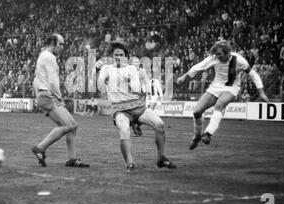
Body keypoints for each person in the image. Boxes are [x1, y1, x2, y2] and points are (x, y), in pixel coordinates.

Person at [96, 42, 176, 172]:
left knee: (159, 124)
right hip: (120, 109)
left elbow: (137, 89)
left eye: (121, 54)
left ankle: (161, 158)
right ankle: (130, 163)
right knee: (124, 130)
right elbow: (100, 87)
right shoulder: (106, 68)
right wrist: (97, 72)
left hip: (138, 107)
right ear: (112, 56)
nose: (118, 57)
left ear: (126, 56)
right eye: (116, 54)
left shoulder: (132, 69)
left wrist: (135, 78)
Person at [177, 40, 270, 150]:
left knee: (219, 105)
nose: (217, 56)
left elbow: (253, 74)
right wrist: (184, 76)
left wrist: (261, 92)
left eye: (220, 54)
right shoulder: (214, 58)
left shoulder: (239, 60)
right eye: (216, 54)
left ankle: (208, 133)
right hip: (215, 87)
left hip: (231, 88)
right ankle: (197, 136)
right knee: (197, 112)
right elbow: (198, 66)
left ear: (227, 52)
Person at [31, 34, 89, 168]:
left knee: (72, 125)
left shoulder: (42, 55)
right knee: (68, 125)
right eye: (61, 44)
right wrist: (59, 98)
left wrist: (38, 96)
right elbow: (53, 82)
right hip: (48, 95)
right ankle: (40, 148)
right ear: (53, 42)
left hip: (44, 95)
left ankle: (72, 159)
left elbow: (36, 80)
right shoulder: (49, 57)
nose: (62, 47)